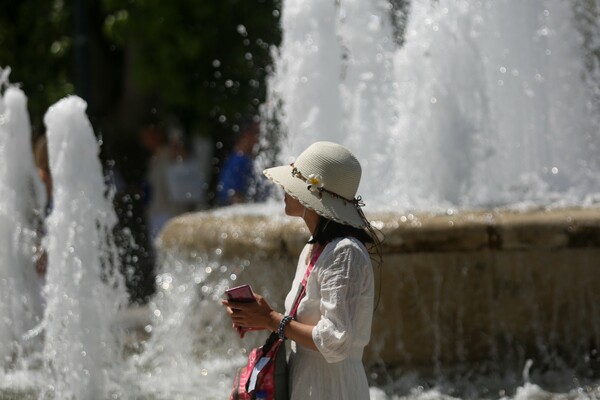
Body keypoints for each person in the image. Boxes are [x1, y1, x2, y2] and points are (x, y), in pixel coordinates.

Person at [222, 141, 382, 399]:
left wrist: (271, 319)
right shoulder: (315, 248)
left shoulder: (345, 252)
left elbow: (335, 340)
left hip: (332, 388)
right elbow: (300, 325)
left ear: (313, 195)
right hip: (307, 381)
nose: (283, 187)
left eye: (293, 182)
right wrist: (259, 315)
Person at [216, 119, 260, 205]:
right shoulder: (239, 161)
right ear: (247, 135)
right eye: (257, 133)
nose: (259, 139)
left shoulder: (238, 158)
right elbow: (235, 197)